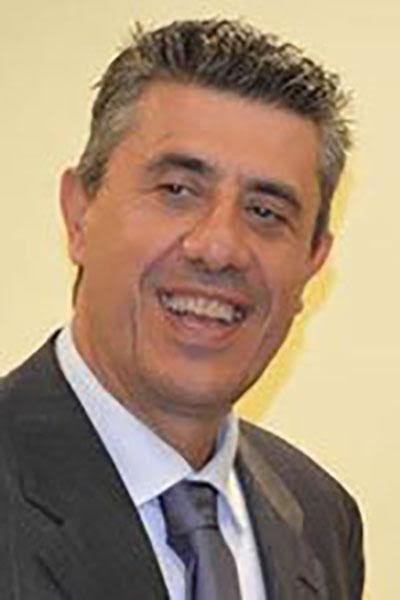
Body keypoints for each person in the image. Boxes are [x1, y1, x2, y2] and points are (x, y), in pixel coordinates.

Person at [0, 18, 364, 600]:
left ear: (313, 262)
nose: (218, 247)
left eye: (266, 212)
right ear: (79, 214)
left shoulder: (321, 518)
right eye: (177, 190)